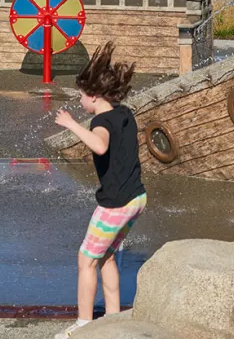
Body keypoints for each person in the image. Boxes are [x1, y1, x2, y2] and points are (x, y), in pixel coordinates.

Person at [52, 43, 147, 339]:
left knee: (86, 260)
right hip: (136, 197)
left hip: (116, 203)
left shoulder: (100, 121)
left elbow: (100, 144)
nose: (80, 100)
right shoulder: (124, 113)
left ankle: (83, 325)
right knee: (105, 256)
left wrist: (70, 124)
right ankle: (114, 317)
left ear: (93, 96)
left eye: (81, 95)